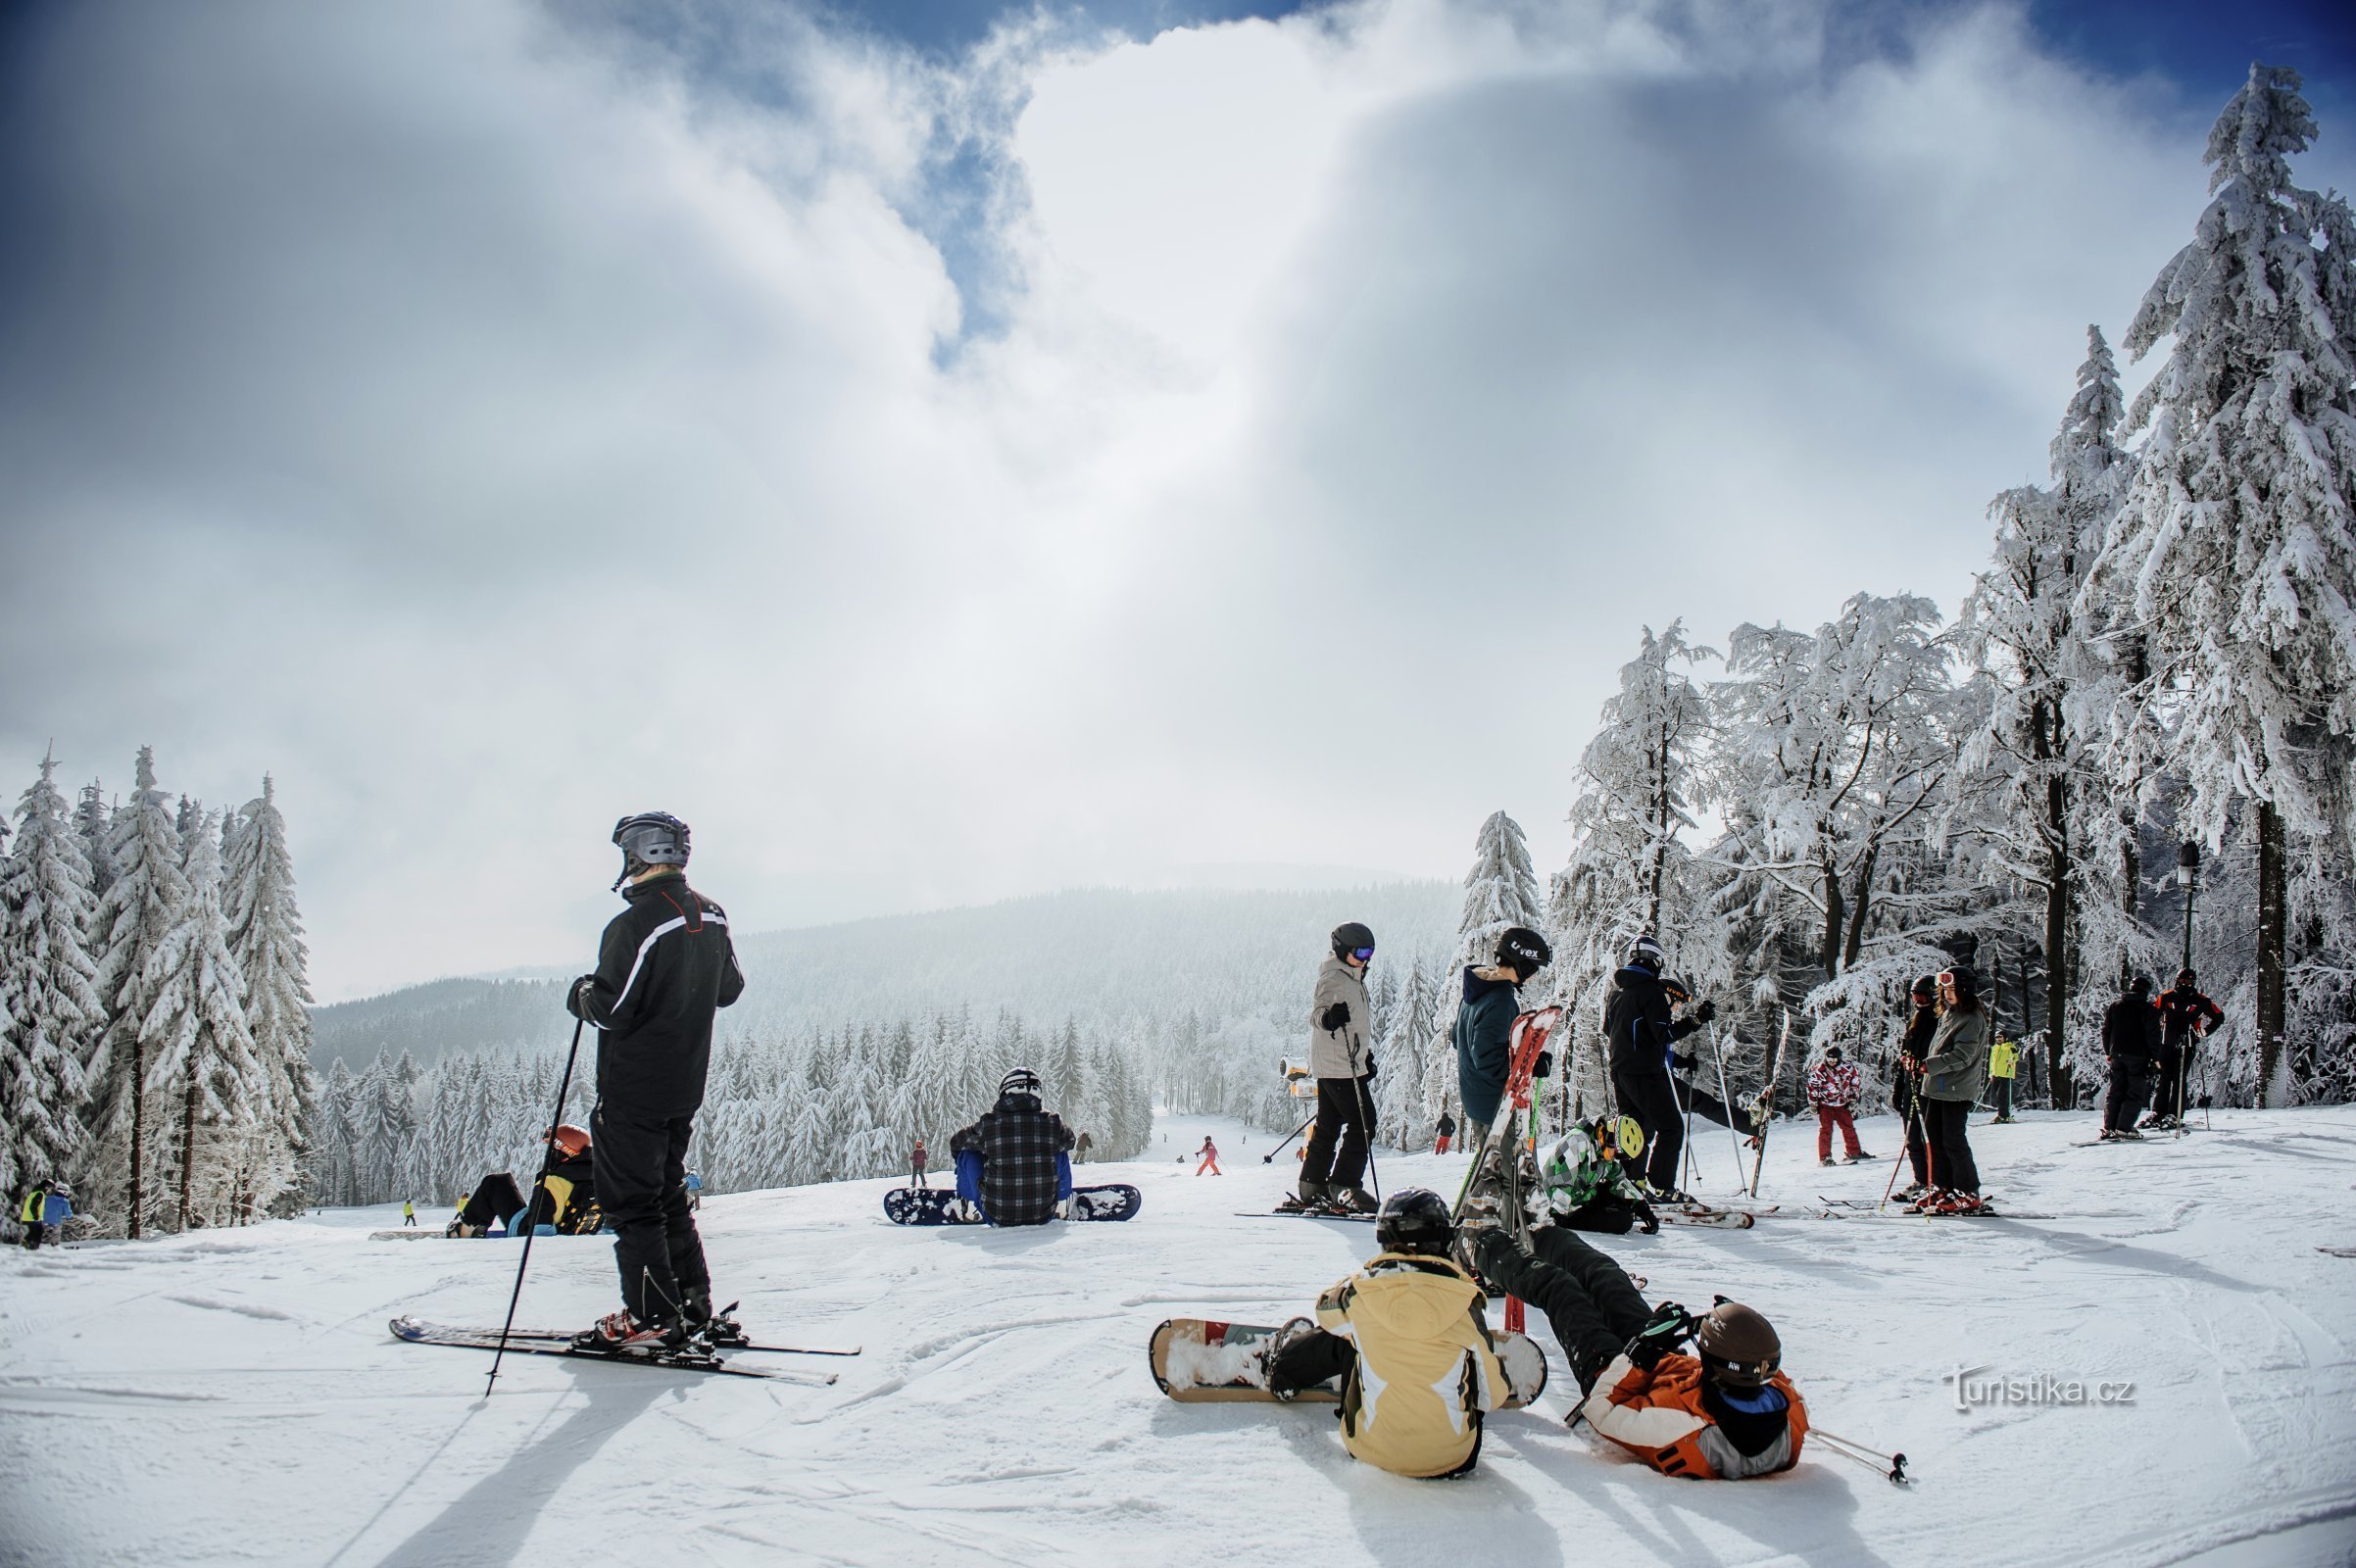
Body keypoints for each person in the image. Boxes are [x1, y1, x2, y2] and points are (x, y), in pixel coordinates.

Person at [565, 811, 746, 1352]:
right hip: (684, 1084)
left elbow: (611, 1009)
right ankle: (691, 1308)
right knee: (666, 1195)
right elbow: (729, 989)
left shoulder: (634, 924)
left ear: (638, 854)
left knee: (633, 1204)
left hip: (632, 1088)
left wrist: (580, 994)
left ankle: (651, 1318)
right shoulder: (710, 914)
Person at [1469, 1226, 1806, 1479]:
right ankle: (1540, 1230)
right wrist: (1715, 1326)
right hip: (1661, 1363)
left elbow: (1601, 1412)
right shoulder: (1787, 1411)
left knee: (1562, 1290)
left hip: (1614, 1379)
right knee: (1607, 1276)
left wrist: (1640, 1353)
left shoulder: (1678, 1428)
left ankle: (1478, 1244)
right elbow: (1759, 1365)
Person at [1262, 1189, 1509, 1479]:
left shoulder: (1362, 1294)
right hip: (1453, 1459)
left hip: (1370, 1450)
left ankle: (1282, 1371)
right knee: (1467, 1356)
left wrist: (1359, 1282)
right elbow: (1493, 1398)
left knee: (1345, 1335)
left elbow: (1324, 1312)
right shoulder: (1466, 1305)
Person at [1601, 937, 1725, 1198]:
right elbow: (1663, 1033)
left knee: (1635, 1130)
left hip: (1620, 1072)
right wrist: (1696, 1020)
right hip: (1646, 1072)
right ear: (1655, 961)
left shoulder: (1616, 993)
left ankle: (1632, 1185)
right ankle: (1662, 1187)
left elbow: (1607, 1030)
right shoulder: (1651, 991)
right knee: (1671, 1127)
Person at [1294, 921, 1380, 1214]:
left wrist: (1364, 1058)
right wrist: (1329, 1018)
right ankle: (1344, 1186)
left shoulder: (1352, 975)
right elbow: (1318, 1014)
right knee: (1365, 1122)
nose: (1366, 957)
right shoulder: (1335, 978)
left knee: (1329, 1125)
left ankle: (1312, 1184)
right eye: (1360, 952)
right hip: (1338, 1066)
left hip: (1342, 1063)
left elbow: (1355, 1027)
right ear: (1342, 950)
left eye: (1370, 952)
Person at [1455, 925, 1555, 1151]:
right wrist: (1529, 1066)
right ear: (1523, 964)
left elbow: (1459, 1039)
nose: (1532, 977)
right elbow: (1487, 1057)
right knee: (1514, 1177)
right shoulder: (1501, 1001)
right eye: (1533, 969)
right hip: (1498, 1108)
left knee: (1491, 1170)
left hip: (1477, 1100)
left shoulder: (1477, 992)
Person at [951, 1067, 1076, 1226]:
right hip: (1043, 1214)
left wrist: (985, 1157)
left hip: (996, 1215)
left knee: (967, 1154)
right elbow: (1071, 1141)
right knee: (1060, 1152)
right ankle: (1062, 1204)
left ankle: (968, 1205)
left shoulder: (988, 1124)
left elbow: (956, 1142)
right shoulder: (1053, 1124)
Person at [1912, 968, 1988, 1212]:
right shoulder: (1949, 1013)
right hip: (1937, 1086)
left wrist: (1928, 1066)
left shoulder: (1971, 1017)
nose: (1947, 994)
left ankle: (1968, 1191)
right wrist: (1918, 1063)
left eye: (1952, 990)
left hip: (1956, 1088)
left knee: (1953, 1140)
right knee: (1934, 1140)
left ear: (1965, 990)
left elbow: (1962, 1056)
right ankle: (1943, 1186)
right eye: (1944, 990)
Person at [1529, 1119, 1659, 1235]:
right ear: (1610, 1139)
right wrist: (1557, 1216)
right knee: (1624, 1222)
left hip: (1580, 1196)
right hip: (1560, 1207)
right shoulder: (1577, 1141)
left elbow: (1618, 1180)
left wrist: (1642, 1208)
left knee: (1624, 1200)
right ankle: (1571, 1220)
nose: (1617, 1158)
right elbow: (1563, 1182)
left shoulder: (1600, 1149)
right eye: (1620, 1155)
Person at [2148, 969, 2224, 1130]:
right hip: (2166, 1043)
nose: (2186, 984)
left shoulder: (2201, 1000)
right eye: (2183, 981)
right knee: (2163, 1079)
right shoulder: (2166, 996)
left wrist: (2206, 1031)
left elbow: (2218, 1016)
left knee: (2179, 1079)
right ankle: (2158, 1113)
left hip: (2187, 1045)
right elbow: (2153, 1015)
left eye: (2190, 981)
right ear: (2177, 980)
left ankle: (2175, 1114)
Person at [1890, 975, 1939, 1199]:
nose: (1919, 1001)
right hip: (1911, 1086)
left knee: (1931, 1136)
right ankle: (1921, 1178)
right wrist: (1898, 1089)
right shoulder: (1914, 1022)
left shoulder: (1941, 1021)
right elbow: (1904, 1057)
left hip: (1931, 1087)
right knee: (1912, 1136)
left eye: (1923, 996)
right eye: (1915, 997)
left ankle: (1936, 1182)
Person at [2101, 975, 2162, 1142]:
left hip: (2116, 1054)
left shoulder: (2115, 1006)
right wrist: (2156, 1058)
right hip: (2137, 1056)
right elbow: (2153, 1036)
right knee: (2134, 1092)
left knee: (2115, 1091)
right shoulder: (2148, 1010)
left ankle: (2109, 1128)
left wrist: (2108, 1051)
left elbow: (2106, 1030)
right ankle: (2124, 1127)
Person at [1805, 1047, 1872, 1165]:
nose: (1831, 1062)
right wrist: (1813, 1104)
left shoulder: (1848, 1068)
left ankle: (1854, 1152)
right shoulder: (1819, 1070)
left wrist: (1853, 1098)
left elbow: (1854, 1083)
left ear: (1839, 1058)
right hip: (1825, 1104)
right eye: (1829, 1059)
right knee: (1826, 1130)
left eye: (1834, 1059)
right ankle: (1825, 1158)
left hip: (1842, 1104)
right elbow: (1812, 1087)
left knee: (1848, 1127)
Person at [1986, 1033, 2021, 1123]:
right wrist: (1990, 1073)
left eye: (2000, 1037)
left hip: (2006, 1074)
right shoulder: (1995, 1048)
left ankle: (2003, 1115)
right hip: (1995, 1074)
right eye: (1997, 1037)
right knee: (1996, 1097)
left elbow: (2016, 1056)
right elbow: (1991, 1061)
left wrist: (2012, 1060)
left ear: (2005, 1037)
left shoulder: (2010, 1046)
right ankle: (2002, 1114)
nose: (1998, 1039)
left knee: (2001, 1095)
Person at [17, 1180, 49, 1251]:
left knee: (33, 1232)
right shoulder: (40, 1194)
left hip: (29, 1216)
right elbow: (33, 1206)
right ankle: (34, 1247)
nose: (49, 1191)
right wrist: (36, 1216)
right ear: (46, 1187)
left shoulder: (34, 1192)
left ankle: (24, 1246)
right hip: (32, 1217)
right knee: (39, 1231)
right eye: (49, 1188)